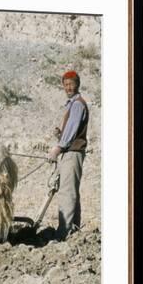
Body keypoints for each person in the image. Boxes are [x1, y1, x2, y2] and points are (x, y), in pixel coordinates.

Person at [47, 70, 89, 241]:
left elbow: (71, 132)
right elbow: (71, 131)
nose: (68, 87)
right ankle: (73, 230)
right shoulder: (72, 104)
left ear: (77, 84)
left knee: (66, 192)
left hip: (72, 153)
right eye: (65, 85)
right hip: (71, 152)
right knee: (71, 191)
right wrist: (61, 134)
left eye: (71, 84)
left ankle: (63, 234)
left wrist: (57, 148)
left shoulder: (77, 104)